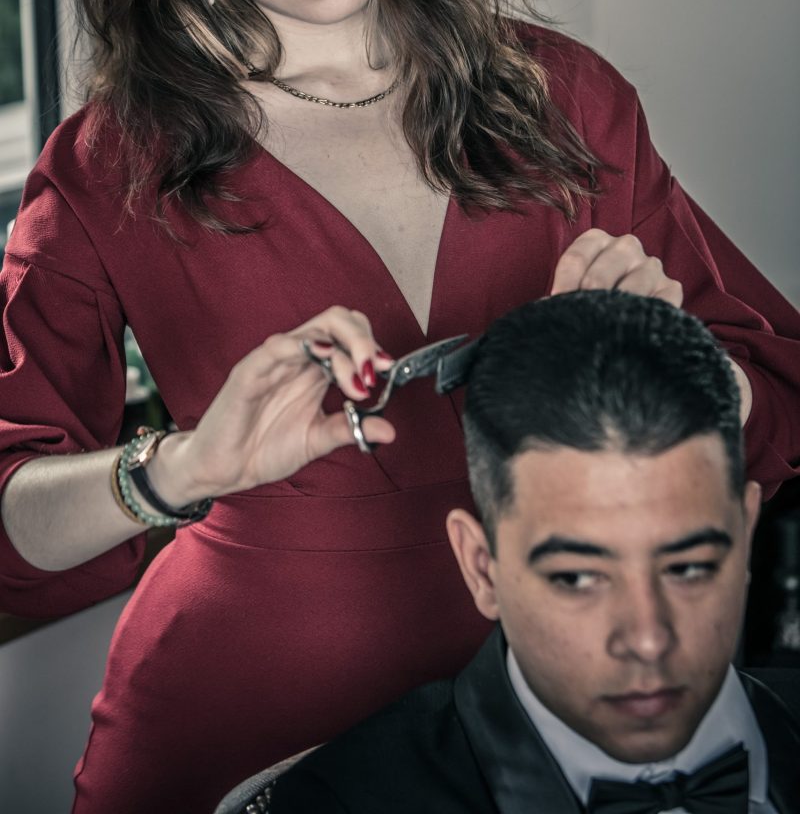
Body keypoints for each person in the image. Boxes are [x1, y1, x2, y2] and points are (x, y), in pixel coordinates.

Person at [0, 0, 797, 814]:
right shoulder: (106, 164)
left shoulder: (566, 97)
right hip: (235, 708)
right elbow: (10, 517)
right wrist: (181, 469)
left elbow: (773, 393)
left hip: (550, 697)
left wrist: (656, 358)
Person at [268, 290, 800, 813]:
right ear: (482, 569)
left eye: (688, 567)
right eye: (576, 578)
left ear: (744, 532)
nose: (647, 640)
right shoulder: (340, 802)